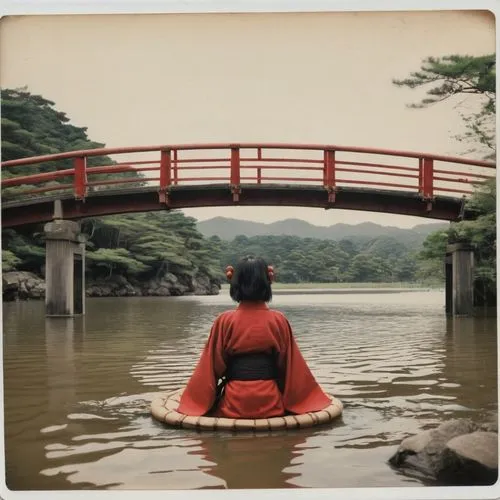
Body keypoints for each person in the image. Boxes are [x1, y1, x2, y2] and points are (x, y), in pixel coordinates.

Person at [176, 256, 331, 419]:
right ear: (267, 282)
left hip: (233, 403)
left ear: (235, 283)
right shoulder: (279, 320)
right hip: (271, 403)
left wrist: (197, 401)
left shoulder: (224, 320)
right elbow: (292, 367)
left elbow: (209, 368)